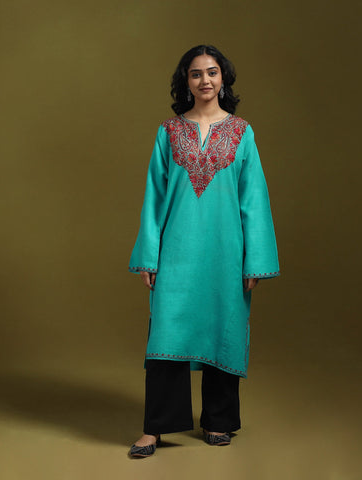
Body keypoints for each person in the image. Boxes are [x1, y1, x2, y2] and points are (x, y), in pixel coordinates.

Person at [128, 45, 279, 458]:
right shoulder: (168, 132)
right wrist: (150, 255)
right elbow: (154, 197)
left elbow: (254, 199)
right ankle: (156, 428)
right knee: (167, 332)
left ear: (223, 78)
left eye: (212, 72)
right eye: (196, 74)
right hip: (176, 251)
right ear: (186, 82)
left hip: (226, 253)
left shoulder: (242, 132)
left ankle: (218, 420)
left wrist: (255, 261)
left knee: (222, 327)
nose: (205, 80)